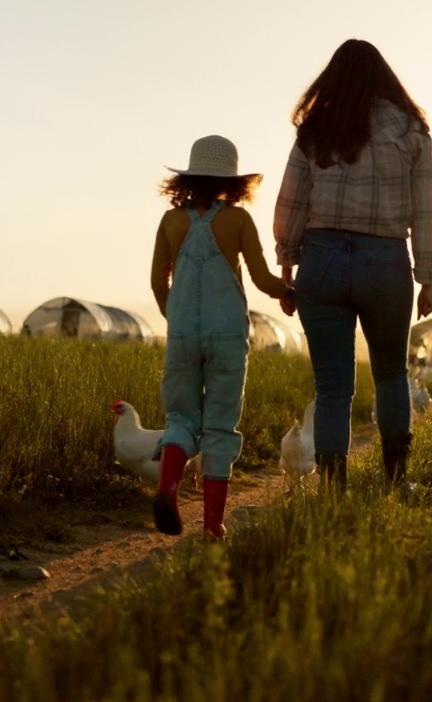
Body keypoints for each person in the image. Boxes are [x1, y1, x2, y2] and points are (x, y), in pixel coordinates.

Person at [274, 39, 432, 492]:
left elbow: (291, 203)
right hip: (385, 260)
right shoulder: (410, 131)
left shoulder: (315, 129)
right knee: (391, 373)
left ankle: (333, 486)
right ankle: (396, 479)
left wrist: (288, 269)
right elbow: (426, 208)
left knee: (332, 386)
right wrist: (426, 278)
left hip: (321, 260)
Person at [150, 135, 292, 536]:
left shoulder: (171, 221)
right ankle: (213, 527)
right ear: (233, 181)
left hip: (182, 334)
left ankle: (169, 489)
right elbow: (263, 280)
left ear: (189, 178)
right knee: (219, 425)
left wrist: (176, 318)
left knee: (179, 416)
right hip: (227, 334)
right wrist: (291, 292)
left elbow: (158, 282)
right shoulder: (238, 220)